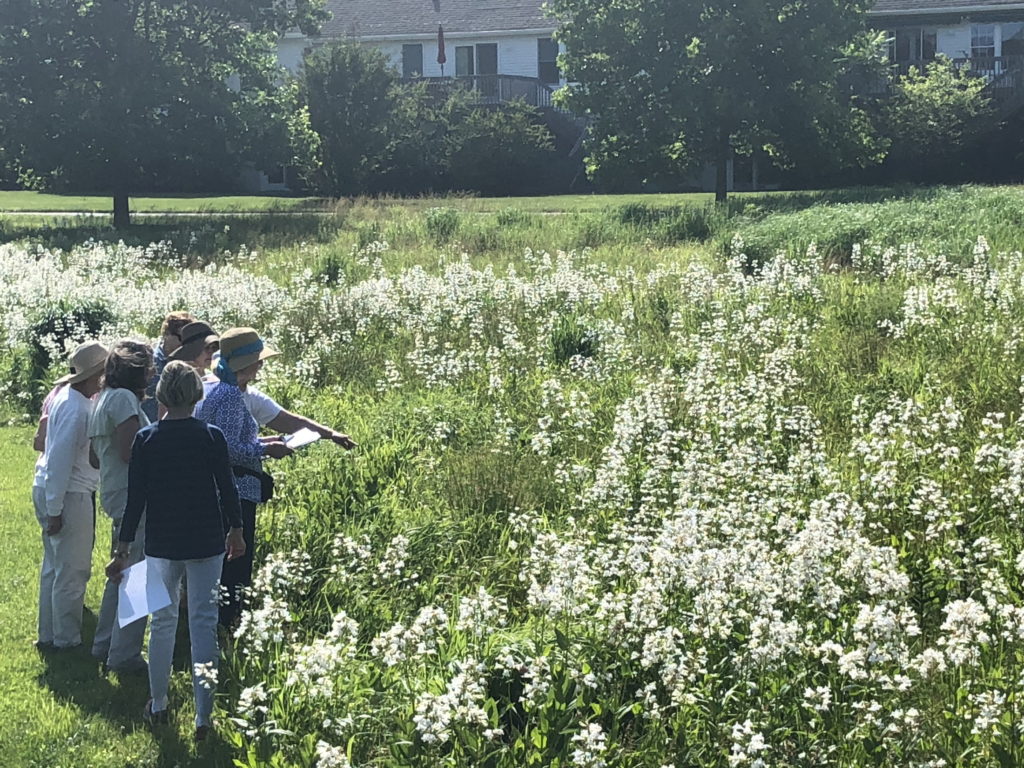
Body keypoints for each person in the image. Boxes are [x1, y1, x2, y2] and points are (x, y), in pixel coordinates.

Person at [105, 361, 245, 741]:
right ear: (197, 393)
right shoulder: (211, 436)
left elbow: (136, 501)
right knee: (203, 622)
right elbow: (227, 489)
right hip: (206, 539)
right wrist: (236, 529)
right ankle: (204, 715)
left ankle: (160, 702)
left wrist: (122, 549)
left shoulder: (147, 439)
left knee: (161, 622)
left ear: (163, 394)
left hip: (161, 544)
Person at [195, 328, 292, 626]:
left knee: (220, 559)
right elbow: (228, 450)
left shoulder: (211, 389)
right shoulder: (229, 396)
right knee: (235, 559)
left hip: (214, 488)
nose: (261, 365)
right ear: (244, 365)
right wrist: (266, 451)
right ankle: (227, 621)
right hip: (235, 490)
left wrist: (264, 442)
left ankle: (215, 617)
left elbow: (224, 440)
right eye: (257, 360)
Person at [35, 341, 106, 651]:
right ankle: (67, 640)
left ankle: (49, 634)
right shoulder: (78, 409)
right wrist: (55, 509)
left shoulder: (69, 399)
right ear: (98, 375)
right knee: (72, 570)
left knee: (54, 566)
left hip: (56, 489)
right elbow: (61, 460)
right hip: (69, 493)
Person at [88, 340, 154, 673]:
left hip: (115, 492)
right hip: (135, 496)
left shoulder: (101, 400)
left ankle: (103, 644)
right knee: (141, 575)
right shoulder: (126, 400)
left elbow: (94, 457)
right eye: (148, 367)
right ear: (137, 370)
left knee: (121, 570)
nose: (152, 373)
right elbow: (131, 452)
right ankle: (125, 654)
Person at [142, 311, 194, 423]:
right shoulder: (149, 363)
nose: (184, 344)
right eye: (181, 338)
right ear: (167, 334)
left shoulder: (189, 364)